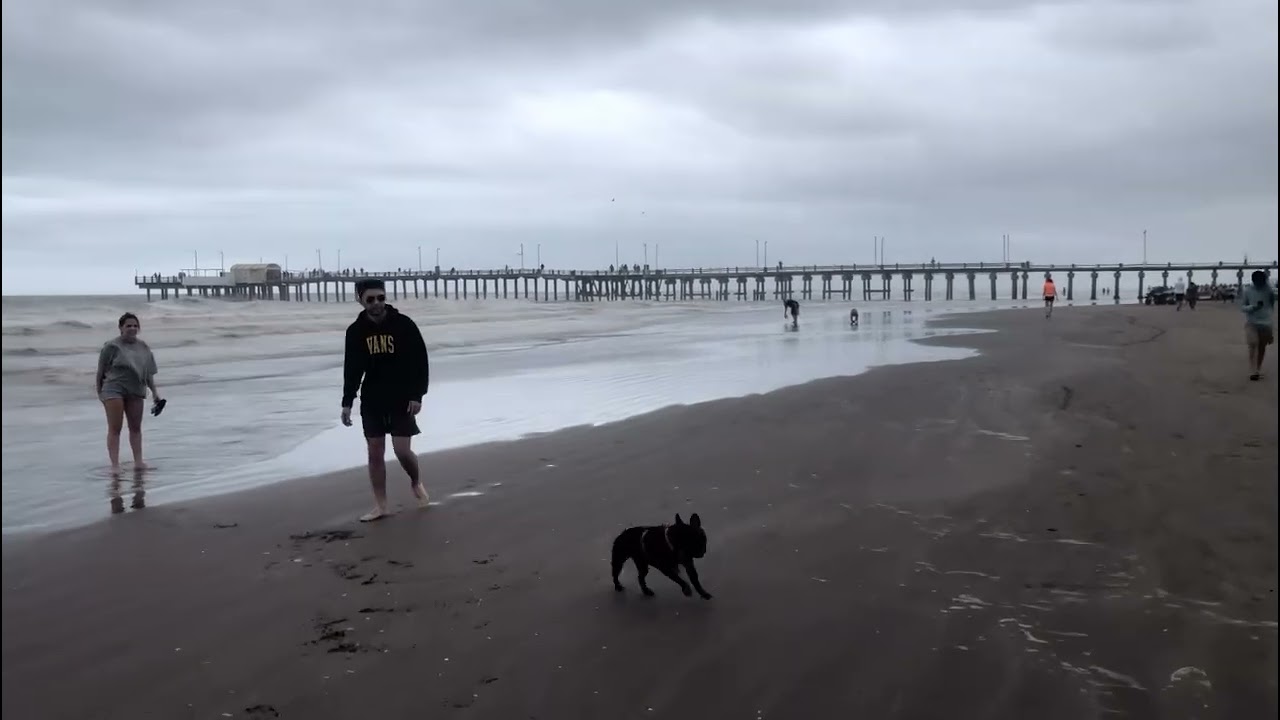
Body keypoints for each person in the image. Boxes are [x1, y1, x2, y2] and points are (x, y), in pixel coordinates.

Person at [341, 279, 431, 521]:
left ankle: (415, 481)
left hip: (402, 397)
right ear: (360, 300)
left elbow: (420, 362)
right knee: (375, 452)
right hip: (372, 399)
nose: (377, 304)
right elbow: (352, 369)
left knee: (402, 451)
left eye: (381, 298)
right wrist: (347, 402)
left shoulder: (404, 325)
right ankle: (381, 505)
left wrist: (417, 395)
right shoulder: (355, 331)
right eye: (370, 299)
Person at [95, 312, 162, 473]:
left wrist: (155, 393)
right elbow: (101, 371)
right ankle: (115, 465)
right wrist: (100, 393)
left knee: (135, 427)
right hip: (113, 388)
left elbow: (148, 374)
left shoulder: (144, 347)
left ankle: (138, 462)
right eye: (128, 326)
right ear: (120, 328)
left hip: (136, 389)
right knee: (115, 428)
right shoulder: (111, 346)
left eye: (135, 326)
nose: (132, 328)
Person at [1241, 270, 1276, 382]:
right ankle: (1253, 371)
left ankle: (1258, 369)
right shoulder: (1248, 291)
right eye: (1259, 282)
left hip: (1266, 323)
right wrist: (1253, 307)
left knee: (1262, 347)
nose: (1261, 284)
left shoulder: (1269, 290)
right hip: (1252, 322)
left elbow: (1273, 300)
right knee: (1253, 344)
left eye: (1263, 281)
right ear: (1254, 281)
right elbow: (1242, 307)